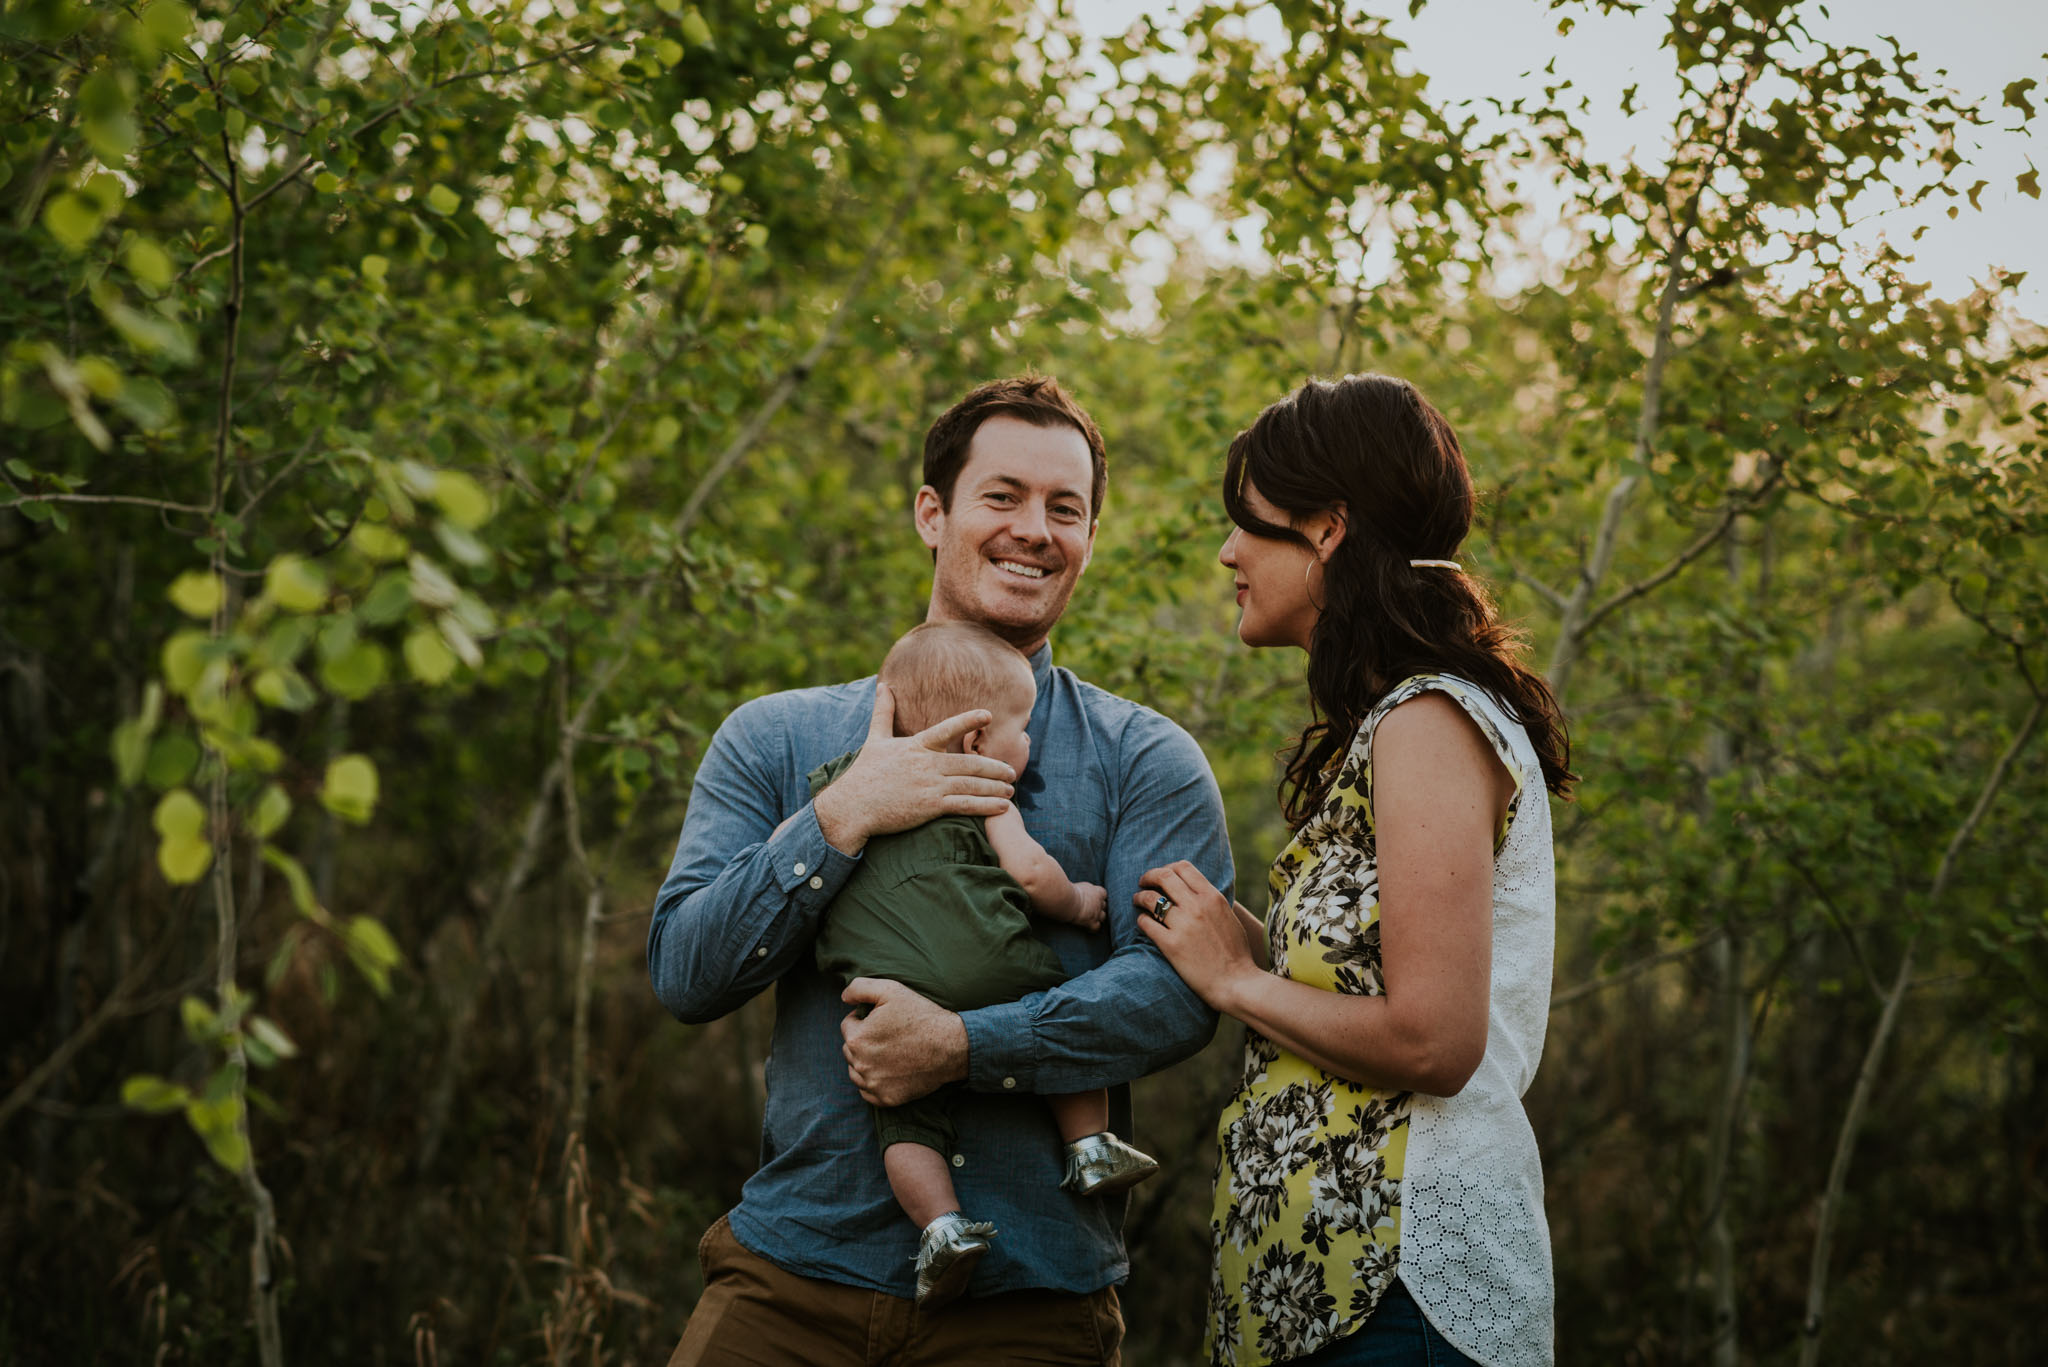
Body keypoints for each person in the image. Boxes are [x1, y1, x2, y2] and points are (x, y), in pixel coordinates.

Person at [649, 374, 1234, 1366]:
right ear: (933, 513)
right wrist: (841, 815)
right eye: (1001, 496)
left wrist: (966, 1042)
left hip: (1029, 1301)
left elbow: (1175, 995)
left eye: (1066, 507)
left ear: (1092, 535)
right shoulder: (778, 738)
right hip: (791, 1272)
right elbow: (685, 973)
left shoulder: (1144, 758)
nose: (1034, 530)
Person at [1131, 374, 1574, 1367]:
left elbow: (1431, 1038)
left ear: (1327, 528)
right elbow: (1357, 989)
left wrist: (1235, 981)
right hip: (1326, 1294)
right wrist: (1201, 927)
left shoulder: (1425, 721)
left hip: (1399, 1290)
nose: (1226, 552)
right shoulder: (1388, 723)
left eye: (1245, 522)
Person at [803, 619, 1161, 1309]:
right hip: (989, 958)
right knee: (1057, 1008)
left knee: (901, 1118)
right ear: (974, 740)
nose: (1029, 743)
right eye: (1022, 728)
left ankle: (941, 1228)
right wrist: (1081, 903)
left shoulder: (841, 790)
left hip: (884, 993)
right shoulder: (975, 787)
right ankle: (1089, 1146)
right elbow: (1030, 872)